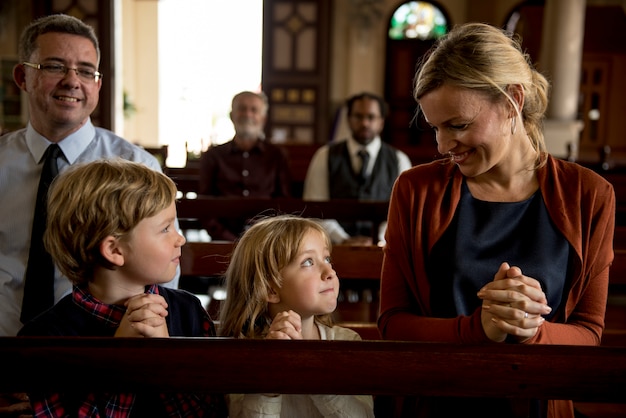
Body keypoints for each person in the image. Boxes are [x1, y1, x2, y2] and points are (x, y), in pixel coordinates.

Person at [377, 23, 615, 418]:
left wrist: (530, 331)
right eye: (436, 128)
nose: (442, 145)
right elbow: (392, 323)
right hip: (437, 404)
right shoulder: (415, 190)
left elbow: (588, 333)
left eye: (458, 125)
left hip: (538, 405)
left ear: (512, 102)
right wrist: (479, 329)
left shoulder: (588, 195)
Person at [0, 14, 179, 339]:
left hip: (102, 346)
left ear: (97, 84)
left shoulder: (136, 166)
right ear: (22, 76)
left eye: (85, 71)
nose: (72, 80)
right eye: (54, 67)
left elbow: (161, 270)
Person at [18, 159, 227, 417]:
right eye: (165, 228)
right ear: (115, 250)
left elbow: (212, 412)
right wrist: (121, 359)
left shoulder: (189, 311)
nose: (180, 238)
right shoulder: (43, 339)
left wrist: (166, 357)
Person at [218, 214, 375, 417]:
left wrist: (311, 372)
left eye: (327, 259)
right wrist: (270, 371)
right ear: (271, 290)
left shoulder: (347, 343)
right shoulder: (245, 352)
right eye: (308, 262)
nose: (330, 271)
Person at [302, 92, 412, 245]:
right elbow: (315, 208)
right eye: (358, 116)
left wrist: (377, 240)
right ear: (348, 119)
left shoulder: (399, 160)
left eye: (371, 117)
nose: (365, 123)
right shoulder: (324, 156)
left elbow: (402, 212)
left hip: (383, 248)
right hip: (333, 246)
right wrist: (344, 239)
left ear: (381, 122)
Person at [198, 91, 292, 241]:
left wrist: (266, 236)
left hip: (266, 239)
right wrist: (227, 238)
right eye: (242, 108)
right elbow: (205, 205)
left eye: (254, 110)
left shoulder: (277, 156)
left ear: (263, 118)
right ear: (232, 115)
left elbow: (284, 203)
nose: (247, 114)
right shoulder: (213, 156)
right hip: (223, 241)